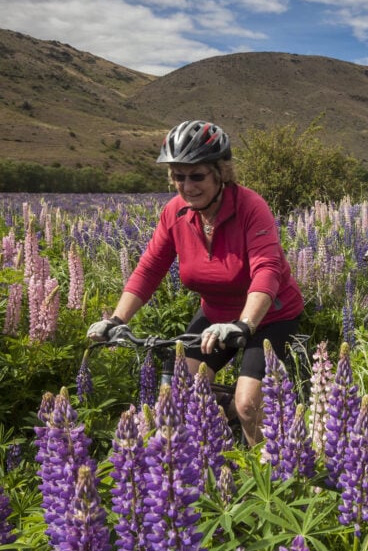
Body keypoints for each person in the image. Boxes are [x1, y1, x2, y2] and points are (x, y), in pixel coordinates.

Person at [87, 119, 304, 446]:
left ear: (221, 173)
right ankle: (221, 434)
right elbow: (149, 269)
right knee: (180, 388)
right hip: (214, 315)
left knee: (248, 403)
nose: (187, 186)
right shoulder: (174, 213)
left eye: (197, 175)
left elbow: (267, 269)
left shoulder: (250, 208)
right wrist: (116, 320)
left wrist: (245, 324)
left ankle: (263, 479)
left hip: (269, 316)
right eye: (178, 176)